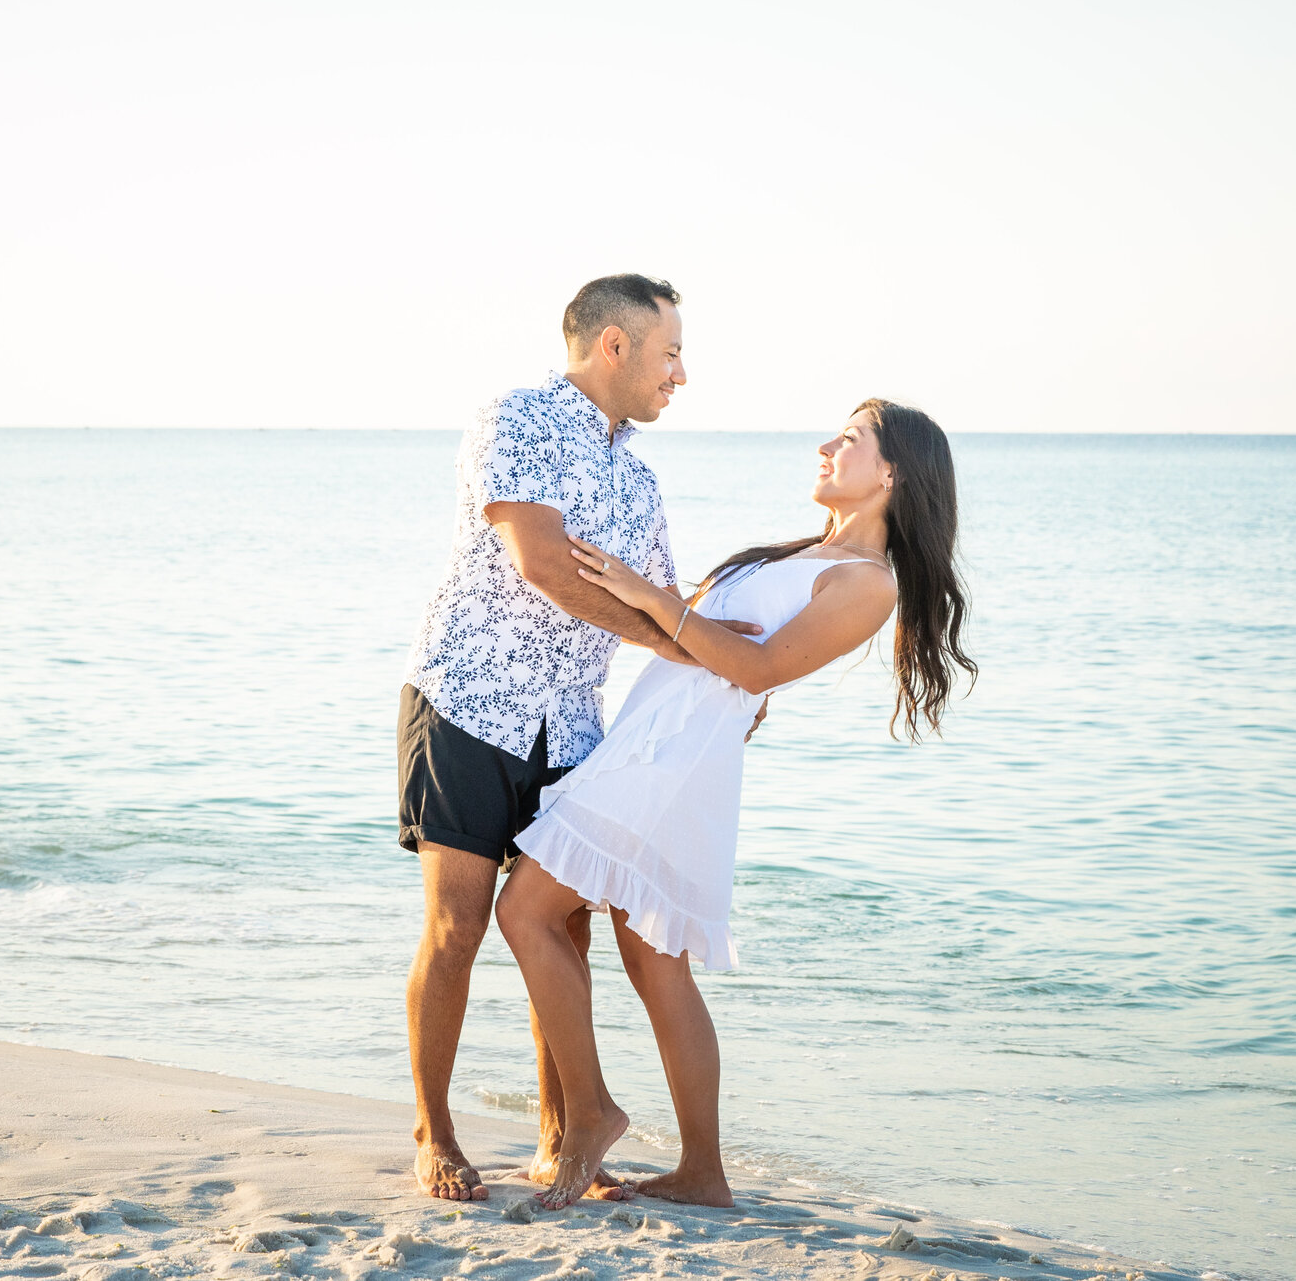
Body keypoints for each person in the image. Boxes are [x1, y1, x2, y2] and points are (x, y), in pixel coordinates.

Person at [497, 399, 977, 1209]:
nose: (828, 446)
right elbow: (727, 656)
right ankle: (702, 1172)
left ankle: (592, 1113)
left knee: (527, 912)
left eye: (850, 439)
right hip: (656, 742)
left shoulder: (867, 582)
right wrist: (668, 612)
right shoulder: (800, 554)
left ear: (892, 472)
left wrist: (657, 599)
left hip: (670, 763)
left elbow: (756, 670)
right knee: (654, 960)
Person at [398, 273, 763, 1202]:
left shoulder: (640, 481)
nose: (680, 372)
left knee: (559, 928)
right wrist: (674, 637)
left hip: (574, 724)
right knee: (459, 924)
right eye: (670, 350)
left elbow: (673, 613)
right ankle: (434, 1134)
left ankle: (566, 1133)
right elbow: (545, 568)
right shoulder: (516, 417)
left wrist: (730, 675)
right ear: (615, 345)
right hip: (471, 701)